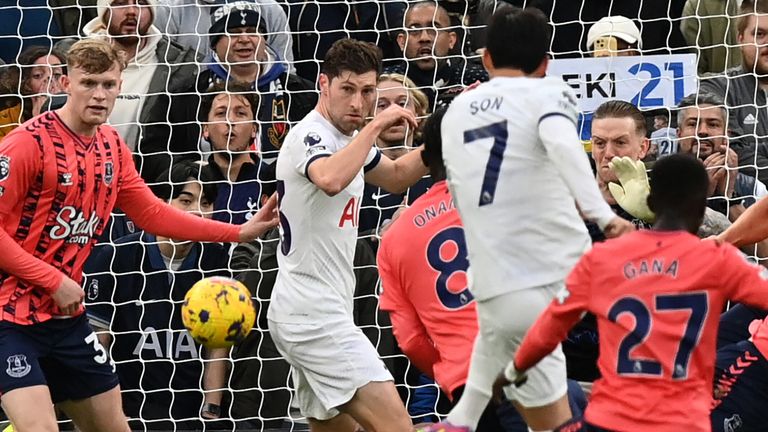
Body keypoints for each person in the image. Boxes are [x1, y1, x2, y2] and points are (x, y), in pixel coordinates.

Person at [0, 38, 277, 432]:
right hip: (9, 317)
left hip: (64, 319)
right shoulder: (26, 144)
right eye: (88, 83)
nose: (99, 95)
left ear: (121, 85)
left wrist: (238, 232)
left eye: (108, 84)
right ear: (65, 83)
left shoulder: (111, 147)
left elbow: (152, 212)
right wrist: (52, 280)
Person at [429, 7, 635, 432]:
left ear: (486, 58)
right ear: (545, 63)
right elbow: (562, 145)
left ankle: (460, 420)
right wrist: (604, 217)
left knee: (504, 354)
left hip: (489, 282)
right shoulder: (548, 93)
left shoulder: (456, 110)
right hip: (551, 283)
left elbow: (460, 185)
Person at [502, 153, 768, 431]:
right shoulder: (720, 261)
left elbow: (547, 328)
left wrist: (513, 370)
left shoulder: (603, 258)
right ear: (702, 210)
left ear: (650, 204)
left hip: (611, 416)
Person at [379, 108, 587, 431]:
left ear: (426, 159)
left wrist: (450, 370)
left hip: (465, 388)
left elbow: (410, 340)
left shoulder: (393, 238)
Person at [266, 38, 429, 432]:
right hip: (312, 315)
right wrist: (375, 126)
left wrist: (446, 137)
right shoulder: (311, 135)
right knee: (397, 426)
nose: (358, 102)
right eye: (348, 89)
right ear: (323, 84)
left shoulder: (345, 139)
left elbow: (396, 176)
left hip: (318, 310)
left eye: (368, 92)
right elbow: (330, 179)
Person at [84, 160, 231, 430]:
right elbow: (97, 346)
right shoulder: (115, 257)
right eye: (186, 201)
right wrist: (107, 415)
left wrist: (211, 410)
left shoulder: (215, 259)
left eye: (206, 203)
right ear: (160, 203)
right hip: (128, 411)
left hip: (190, 413)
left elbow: (217, 346)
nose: (198, 211)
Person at [79, 0, 201, 182]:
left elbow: (186, 149)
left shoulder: (179, 69)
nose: (131, 11)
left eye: (141, 3)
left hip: (149, 187)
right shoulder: (72, 61)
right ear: (103, 11)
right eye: (120, 3)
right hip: (82, 182)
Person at [197, 1, 316, 162]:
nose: (244, 39)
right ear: (214, 44)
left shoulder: (303, 94)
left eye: (252, 31)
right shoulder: (191, 94)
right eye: (234, 33)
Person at [698, 0, 768, 186]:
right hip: (743, 200)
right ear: (740, 38)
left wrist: (754, 148)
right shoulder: (716, 87)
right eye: (759, 34)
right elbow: (731, 153)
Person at [676, 92, 768, 220]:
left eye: (713, 124)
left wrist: (729, 197)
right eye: (693, 124)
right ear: (679, 134)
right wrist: (702, 196)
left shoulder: (753, 187)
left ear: (726, 135)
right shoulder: (659, 183)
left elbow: (760, 234)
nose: (702, 131)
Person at [359, 73, 431, 235]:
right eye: (382, 105)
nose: (394, 111)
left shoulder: (438, 169)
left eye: (402, 103)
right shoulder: (355, 174)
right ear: (367, 118)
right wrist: (380, 234)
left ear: (418, 113)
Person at [384, 1, 488, 110]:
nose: (424, 38)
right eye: (414, 29)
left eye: (434, 29)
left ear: (451, 40)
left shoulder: (475, 79)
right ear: (402, 42)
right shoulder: (386, 83)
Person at [199, 82, 274, 224]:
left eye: (240, 113)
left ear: (254, 129)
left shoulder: (273, 181)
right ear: (205, 129)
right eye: (221, 113)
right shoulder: (194, 183)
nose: (230, 121)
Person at [0, 46, 66, 139]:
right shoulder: (5, 122)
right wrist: (38, 123)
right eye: (38, 75)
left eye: (57, 74)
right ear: (26, 84)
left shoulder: (80, 114)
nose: (49, 80)